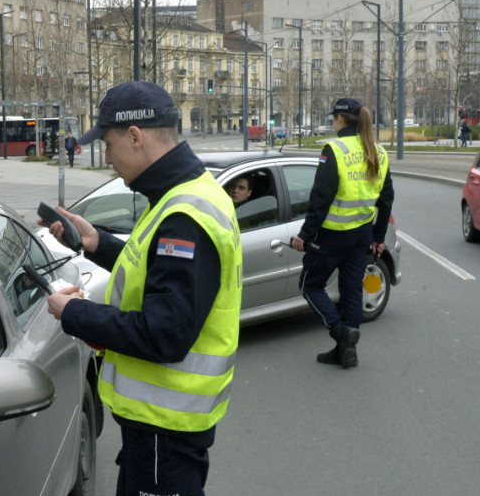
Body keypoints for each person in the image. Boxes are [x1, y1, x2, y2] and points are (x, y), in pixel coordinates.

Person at [42, 81, 243, 496]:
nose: (108, 158)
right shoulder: (181, 194)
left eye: (109, 145)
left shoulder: (184, 214)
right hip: (158, 430)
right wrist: (98, 243)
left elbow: (164, 332)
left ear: (135, 137)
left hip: (165, 429)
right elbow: (155, 272)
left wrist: (73, 314)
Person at [292, 98, 394, 370]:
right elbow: (386, 200)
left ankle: (340, 331)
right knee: (351, 293)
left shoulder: (334, 149)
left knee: (309, 285)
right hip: (361, 236)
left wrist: (304, 234)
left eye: (333, 119)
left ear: (338, 119)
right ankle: (347, 353)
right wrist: (378, 237)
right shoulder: (378, 151)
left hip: (329, 237)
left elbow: (320, 198)